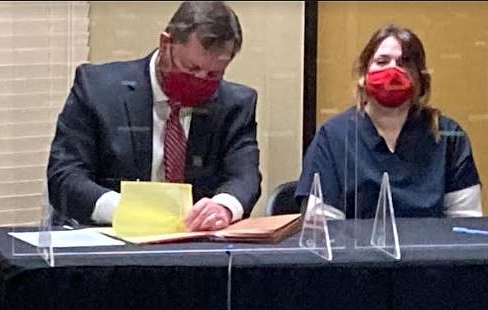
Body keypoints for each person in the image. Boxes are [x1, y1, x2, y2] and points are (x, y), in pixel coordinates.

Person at [47, 1, 261, 231]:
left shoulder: (235, 105)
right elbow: (65, 177)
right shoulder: (97, 89)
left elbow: (244, 177)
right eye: (191, 68)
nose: (200, 79)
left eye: (213, 74)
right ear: (166, 44)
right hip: (110, 243)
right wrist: (127, 209)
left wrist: (223, 207)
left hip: (192, 249)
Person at [296, 24, 482, 219]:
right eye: (382, 61)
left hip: (430, 249)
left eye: (404, 63)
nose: (393, 70)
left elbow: (465, 227)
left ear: (420, 77)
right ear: (363, 75)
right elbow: (323, 230)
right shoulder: (333, 137)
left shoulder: (449, 137)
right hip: (356, 250)